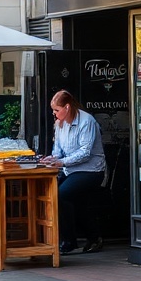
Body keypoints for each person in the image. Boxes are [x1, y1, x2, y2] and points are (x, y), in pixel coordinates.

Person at [41, 89, 106, 255]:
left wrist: (61, 162)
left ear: (67, 108)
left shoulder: (86, 121)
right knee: (58, 195)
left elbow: (85, 152)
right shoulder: (60, 124)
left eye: (56, 110)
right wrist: (52, 159)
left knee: (62, 194)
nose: (54, 114)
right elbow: (58, 149)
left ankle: (69, 240)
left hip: (91, 169)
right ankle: (90, 236)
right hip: (70, 169)